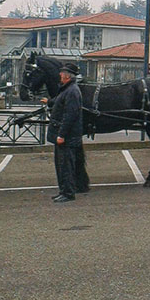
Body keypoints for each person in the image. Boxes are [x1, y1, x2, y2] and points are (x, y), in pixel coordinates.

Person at [43, 62, 89, 203]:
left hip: (67, 137)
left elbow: (70, 115)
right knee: (61, 165)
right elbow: (59, 102)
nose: (60, 75)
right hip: (64, 136)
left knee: (66, 166)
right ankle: (63, 191)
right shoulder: (67, 89)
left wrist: (61, 135)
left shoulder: (72, 91)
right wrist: (49, 102)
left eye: (62, 73)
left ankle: (68, 193)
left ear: (67, 76)